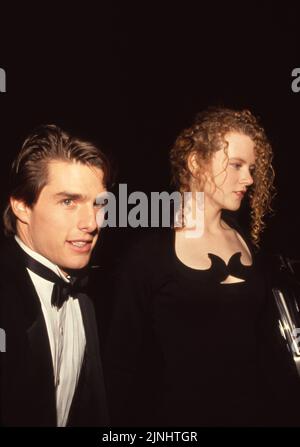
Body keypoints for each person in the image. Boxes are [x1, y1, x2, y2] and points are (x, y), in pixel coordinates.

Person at [106, 107, 300, 426]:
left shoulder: (248, 246)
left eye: (251, 168)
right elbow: (119, 366)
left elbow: (270, 354)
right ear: (196, 162)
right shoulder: (147, 254)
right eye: (236, 165)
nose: (249, 179)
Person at [0, 124, 110, 427]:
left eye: (99, 204)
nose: (91, 222)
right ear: (22, 206)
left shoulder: (84, 300)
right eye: (68, 202)